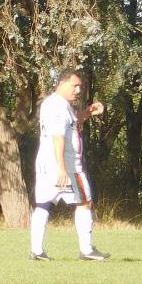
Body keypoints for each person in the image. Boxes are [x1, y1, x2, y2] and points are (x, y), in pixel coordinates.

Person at [30, 71, 109, 261]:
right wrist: (62, 168)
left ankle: (37, 251)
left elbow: (71, 126)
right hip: (67, 166)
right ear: (62, 83)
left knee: (44, 204)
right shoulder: (58, 106)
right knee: (84, 202)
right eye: (75, 86)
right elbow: (58, 137)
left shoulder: (56, 104)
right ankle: (87, 251)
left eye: (80, 86)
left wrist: (87, 113)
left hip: (47, 165)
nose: (78, 90)